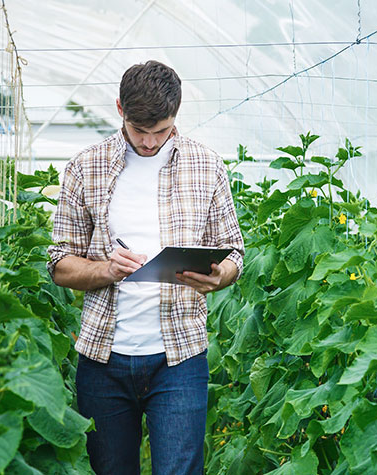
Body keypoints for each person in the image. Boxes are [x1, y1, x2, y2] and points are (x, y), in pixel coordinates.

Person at [47, 60, 244, 475]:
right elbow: (60, 264)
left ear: (177, 114)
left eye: (162, 130)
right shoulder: (86, 167)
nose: (151, 142)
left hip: (179, 357)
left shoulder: (206, 166)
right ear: (120, 108)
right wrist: (106, 270)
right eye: (141, 131)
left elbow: (234, 254)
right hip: (104, 359)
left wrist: (219, 276)